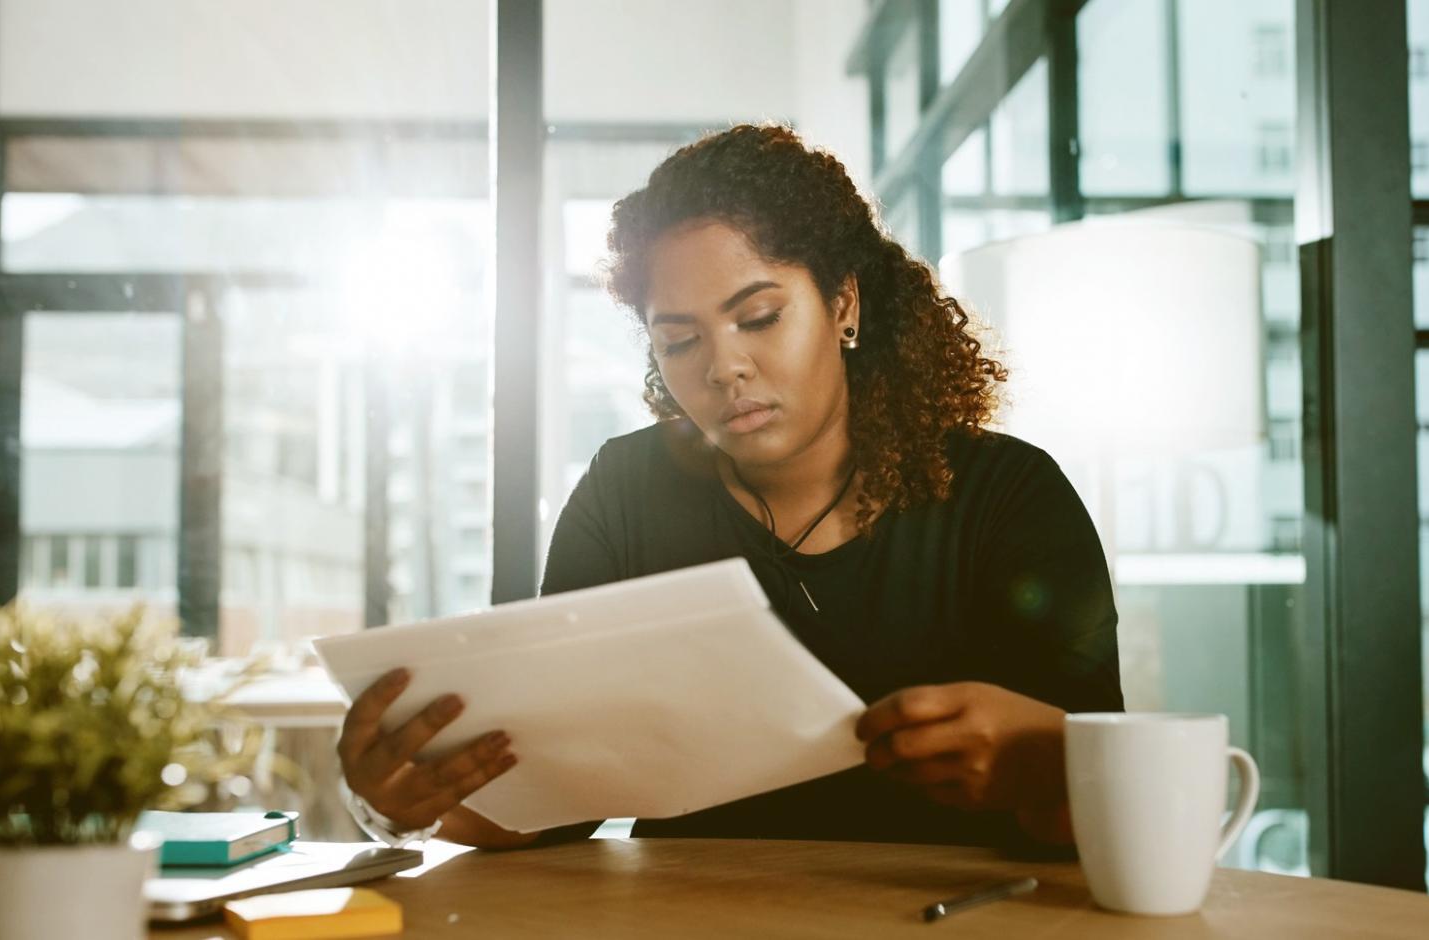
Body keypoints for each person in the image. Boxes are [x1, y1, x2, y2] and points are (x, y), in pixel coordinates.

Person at [337, 124, 1121, 851]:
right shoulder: (626, 491)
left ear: (843, 304)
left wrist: (1046, 762)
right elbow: (549, 803)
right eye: (679, 340)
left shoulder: (1007, 496)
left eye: (760, 317)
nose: (722, 368)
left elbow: (1118, 810)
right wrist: (403, 803)